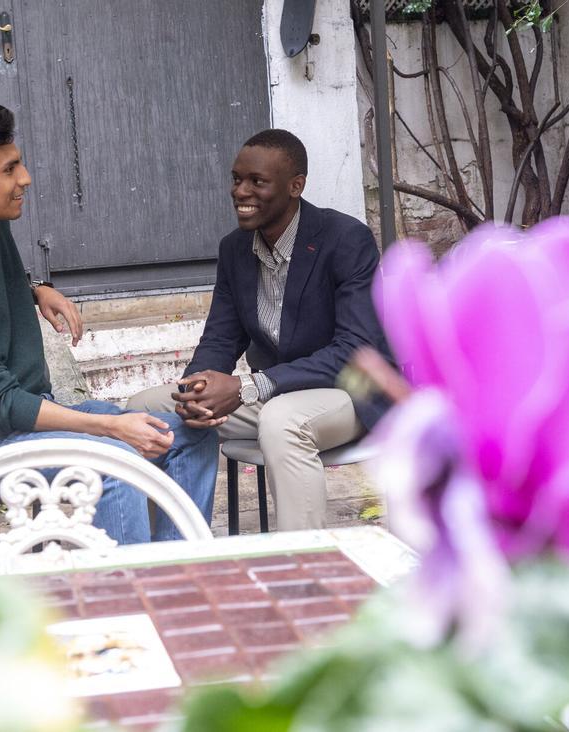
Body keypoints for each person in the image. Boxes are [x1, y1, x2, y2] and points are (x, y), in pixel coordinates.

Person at [0, 104, 217, 544]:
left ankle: (176, 571)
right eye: (10, 169)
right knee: (116, 464)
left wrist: (36, 289)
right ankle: (126, 585)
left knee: (190, 437)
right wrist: (110, 426)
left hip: (30, 413)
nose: (25, 178)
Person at [126, 129, 390, 531]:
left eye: (257, 181)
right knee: (146, 408)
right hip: (275, 394)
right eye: (237, 179)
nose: (241, 191)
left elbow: (355, 349)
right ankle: (174, 550)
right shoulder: (235, 248)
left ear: (295, 186)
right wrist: (196, 389)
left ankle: (303, 562)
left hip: (350, 393)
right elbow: (221, 337)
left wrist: (249, 386)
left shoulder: (345, 239)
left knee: (283, 421)